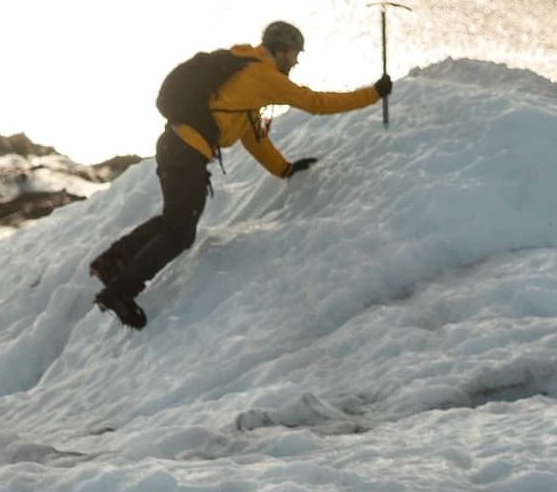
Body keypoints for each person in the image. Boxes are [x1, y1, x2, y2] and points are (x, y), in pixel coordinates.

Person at [87, 19, 384, 328]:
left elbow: (252, 136)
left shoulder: (245, 74)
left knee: (174, 221)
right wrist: (374, 94)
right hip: (186, 152)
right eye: (295, 53)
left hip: (176, 147)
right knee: (180, 233)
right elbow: (315, 103)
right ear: (281, 50)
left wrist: (284, 168)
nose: (296, 61)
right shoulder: (263, 75)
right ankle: (120, 292)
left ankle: (113, 261)